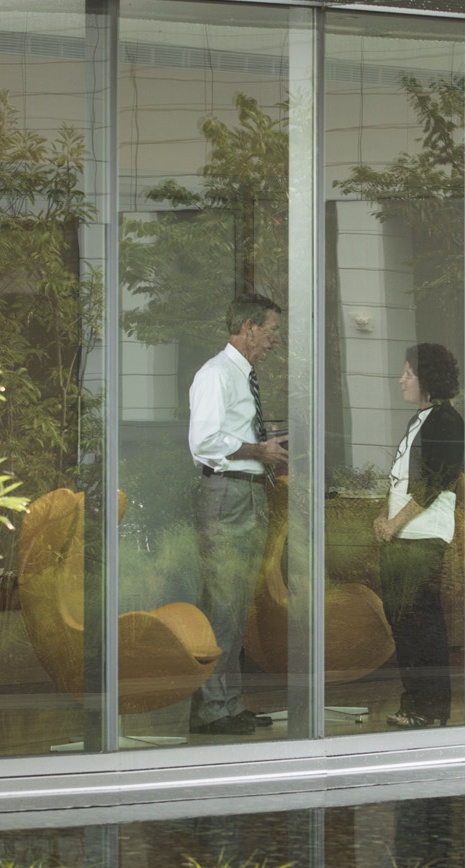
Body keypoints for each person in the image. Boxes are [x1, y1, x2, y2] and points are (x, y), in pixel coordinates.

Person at [187, 292, 288, 736]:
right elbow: (205, 443)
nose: (275, 340)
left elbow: (228, 434)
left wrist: (265, 445)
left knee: (236, 604)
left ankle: (227, 703)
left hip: (246, 494)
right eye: (272, 331)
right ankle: (210, 710)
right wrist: (258, 450)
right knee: (222, 601)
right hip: (227, 495)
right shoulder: (216, 375)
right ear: (248, 328)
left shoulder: (239, 376)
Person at [373, 343, 462, 729]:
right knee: (402, 620)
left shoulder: (447, 421)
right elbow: (402, 481)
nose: (401, 379)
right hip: (401, 535)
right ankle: (415, 703)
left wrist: (394, 523)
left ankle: (431, 706)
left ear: (427, 378)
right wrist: (383, 516)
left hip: (422, 536)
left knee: (421, 622)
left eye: (408, 373)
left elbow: (434, 482)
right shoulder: (419, 419)